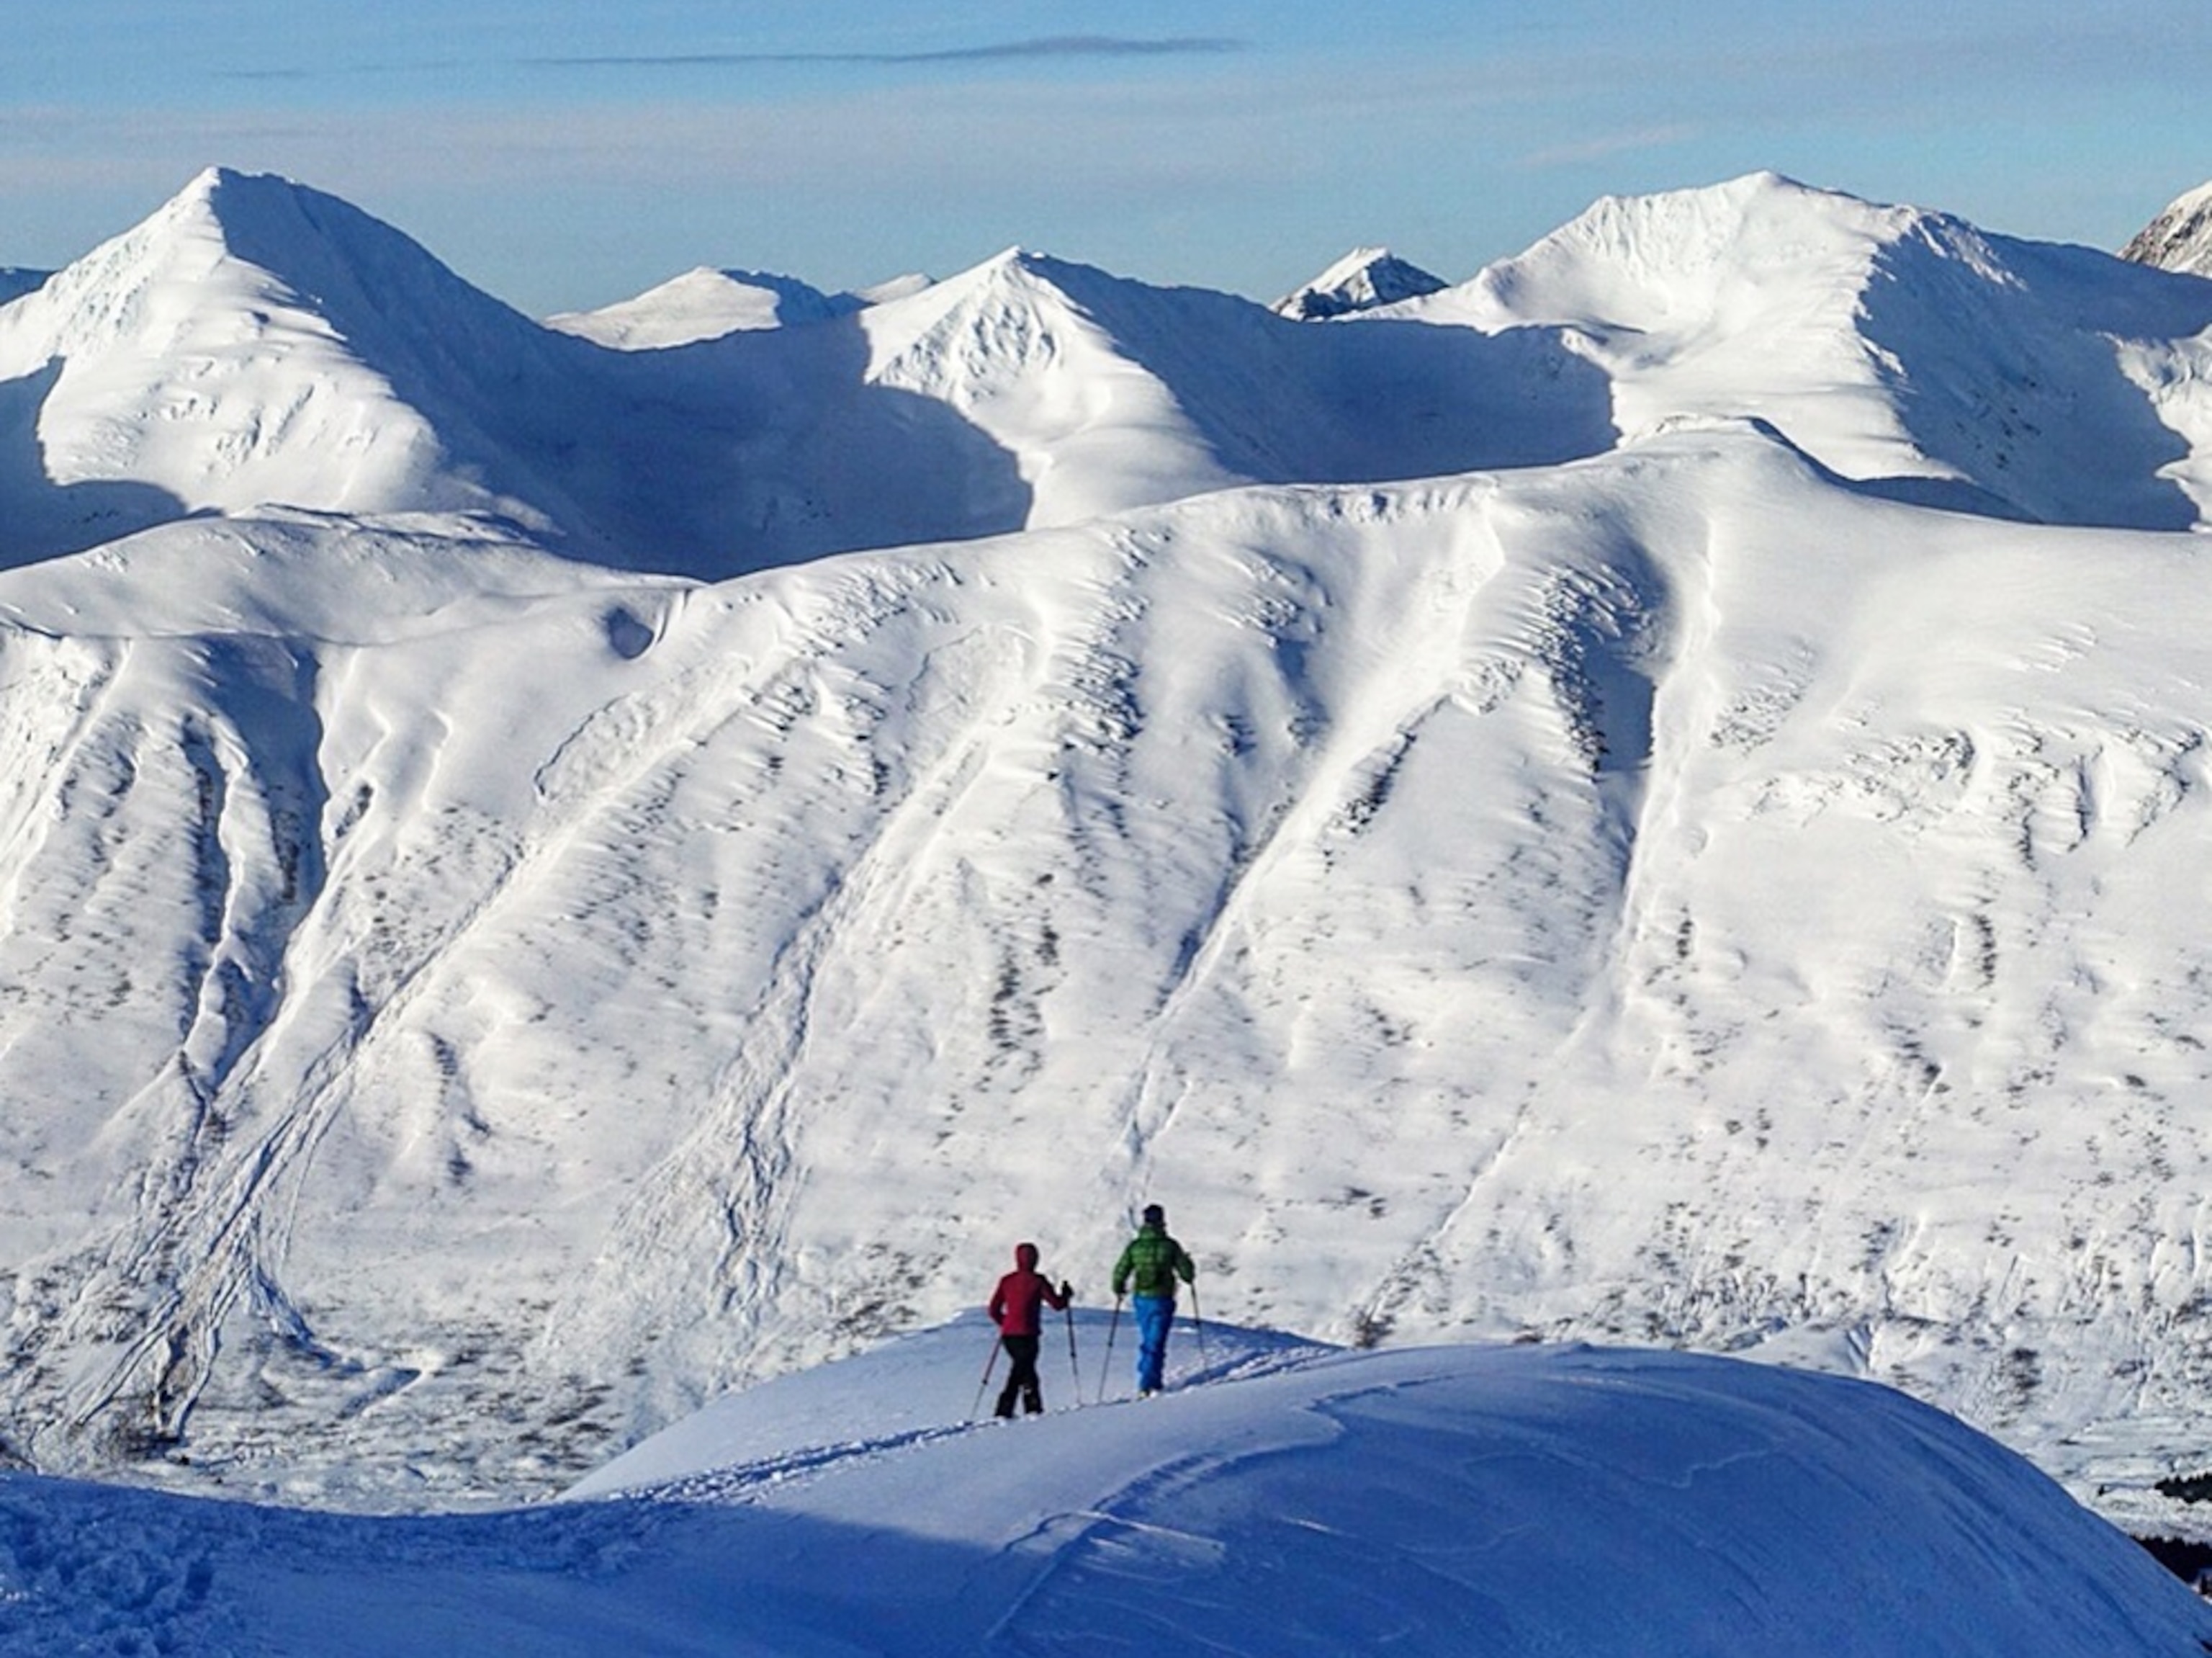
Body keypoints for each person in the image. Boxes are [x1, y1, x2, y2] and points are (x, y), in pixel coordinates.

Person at [1110, 1203, 1196, 1397]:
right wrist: (1188, 1264)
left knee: (1147, 1339)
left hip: (1141, 1299)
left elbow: (1121, 1269)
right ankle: (1149, 1383)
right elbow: (1187, 1274)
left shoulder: (1135, 1246)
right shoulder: (1170, 1246)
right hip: (1163, 1299)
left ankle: (1147, 1380)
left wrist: (1118, 1287)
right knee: (1156, 1342)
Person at [987, 1241, 1072, 1417]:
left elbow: (993, 1309)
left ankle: (1023, 1408)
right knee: (1023, 1370)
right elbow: (1057, 1305)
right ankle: (1014, 1409)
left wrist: (1005, 1322)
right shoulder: (1038, 1281)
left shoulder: (1007, 1281)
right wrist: (1066, 1295)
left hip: (1009, 1335)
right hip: (1029, 1334)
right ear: (1035, 1259)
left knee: (1024, 1369)